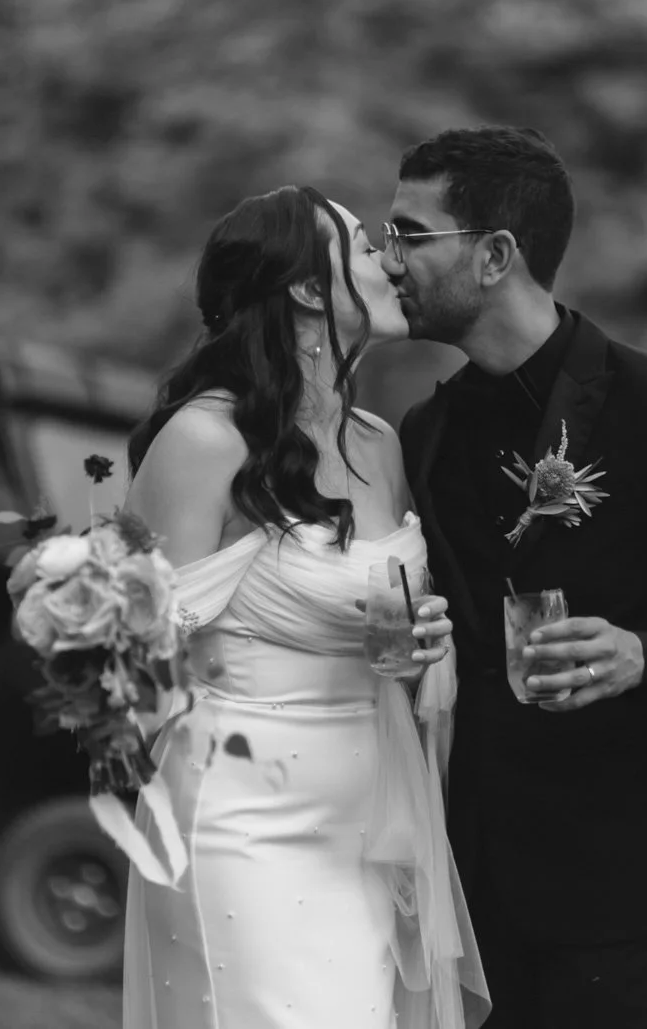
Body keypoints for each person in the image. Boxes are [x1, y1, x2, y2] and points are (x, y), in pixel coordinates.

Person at [387, 126, 647, 1028]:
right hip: (468, 880)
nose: (390, 261)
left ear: (496, 254)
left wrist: (643, 655)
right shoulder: (421, 434)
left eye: (411, 236)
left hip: (625, 881)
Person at [118, 185, 490, 1029]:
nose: (392, 259)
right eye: (364, 246)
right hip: (240, 820)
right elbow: (128, 664)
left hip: (365, 823)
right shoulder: (206, 442)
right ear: (309, 290)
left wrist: (426, 645)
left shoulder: (381, 445)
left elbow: (393, 618)